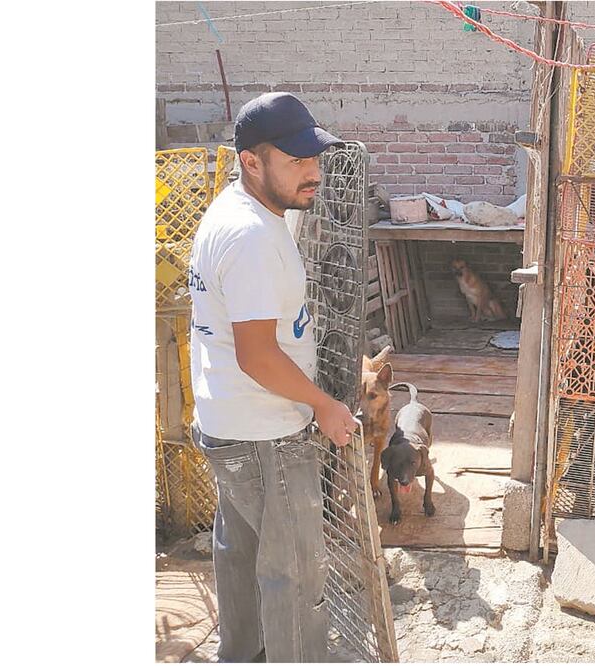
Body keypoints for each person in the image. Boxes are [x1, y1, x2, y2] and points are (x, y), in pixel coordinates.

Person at [187, 92, 358, 663]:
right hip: (264, 434)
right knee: (296, 578)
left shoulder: (240, 213)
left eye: (314, 158)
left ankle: (241, 655)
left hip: (229, 422)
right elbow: (257, 355)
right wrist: (323, 406)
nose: (312, 172)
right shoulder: (253, 237)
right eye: (295, 161)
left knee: (241, 559)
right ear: (251, 162)